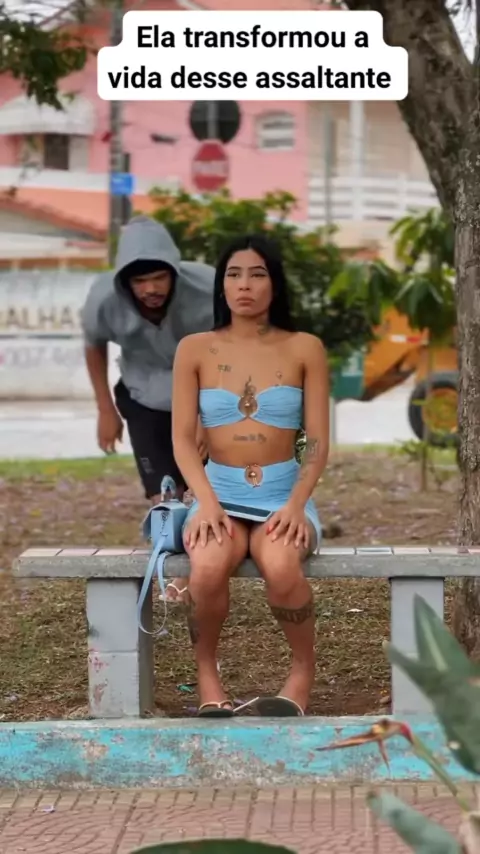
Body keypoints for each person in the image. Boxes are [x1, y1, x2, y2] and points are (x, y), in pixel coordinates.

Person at [172, 234, 330, 718]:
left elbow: (317, 442)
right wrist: (205, 502)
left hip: (283, 494)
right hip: (217, 492)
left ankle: (301, 674)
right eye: (234, 275)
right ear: (221, 286)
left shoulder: (305, 348)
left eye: (257, 274)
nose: (244, 285)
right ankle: (207, 677)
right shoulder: (194, 349)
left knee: (281, 567)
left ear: (274, 284)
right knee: (206, 567)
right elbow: (182, 440)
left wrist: (297, 504)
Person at [81, 214, 213, 602]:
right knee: (164, 496)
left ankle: (202, 570)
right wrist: (105, 409)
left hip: (205, 393)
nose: (151, 289)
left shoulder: (208, 288)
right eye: (140, 281)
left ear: (174, 272)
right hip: (144, 396)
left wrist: (208, 416)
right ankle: (174, 577)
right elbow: (93, 345)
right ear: (125, 282)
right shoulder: (103, 299)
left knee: (202, 489)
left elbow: (231, 347)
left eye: (159, 277)